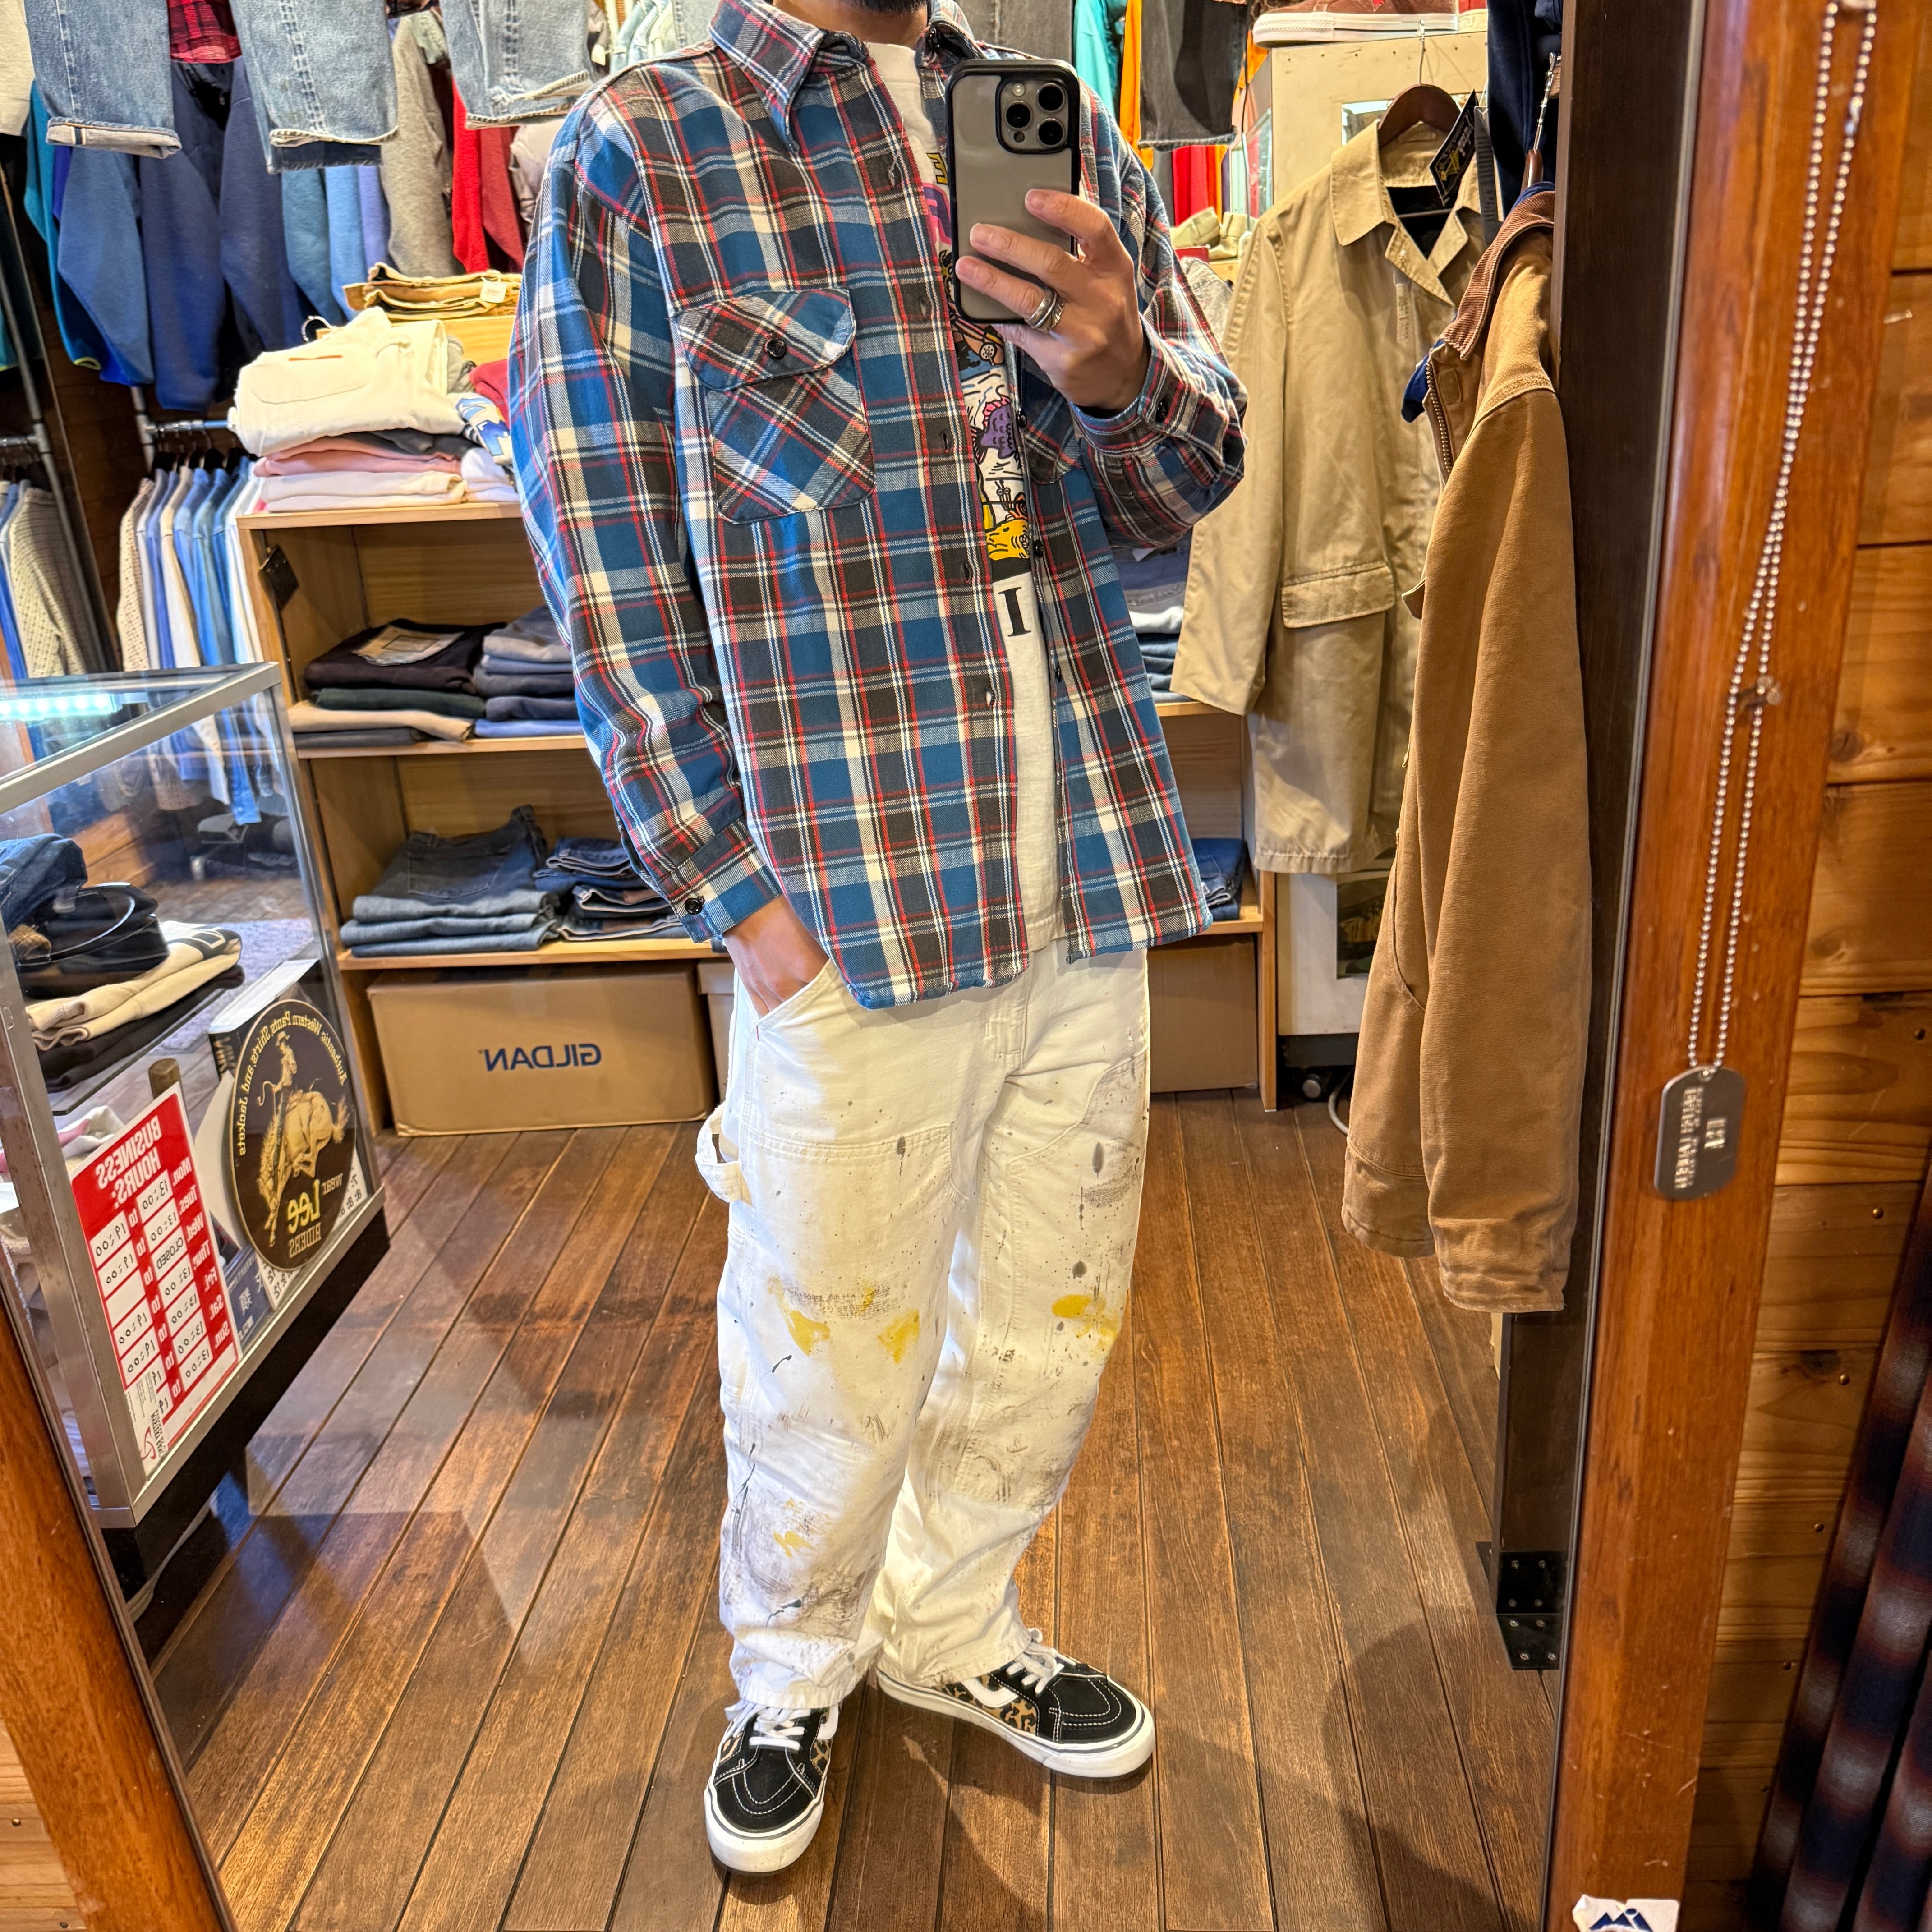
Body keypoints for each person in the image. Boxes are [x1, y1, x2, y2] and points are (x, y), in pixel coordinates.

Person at [510, 0, 1245, 1875]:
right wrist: (736, 898)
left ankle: (949, 1624)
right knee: (825, 1344)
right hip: (840, 900)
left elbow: (1183, 486)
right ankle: (795, 1664)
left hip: (1080, 866)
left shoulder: (1050, 122)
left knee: (1050, 1322)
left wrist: (1116, 371)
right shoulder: (645, 152)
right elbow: (603, 566)